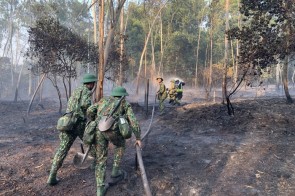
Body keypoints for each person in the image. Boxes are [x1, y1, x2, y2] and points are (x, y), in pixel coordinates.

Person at [86, 86, 142, 196]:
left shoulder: (103, 100)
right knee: (120, 145)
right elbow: (133, 121)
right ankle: (115, 171)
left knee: (101, 159)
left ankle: (100, 189)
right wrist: (138, 137)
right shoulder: (125, 104)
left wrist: (94, 118)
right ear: (123, 96)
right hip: (113, 131)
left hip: (99, 130)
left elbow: (89, 110)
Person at [47, 73, 97, 186]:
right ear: (91, 84)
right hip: (78, 124)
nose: (93, 85)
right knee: (91, 141)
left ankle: (52, 176)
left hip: (67, 122)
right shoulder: (86, 92)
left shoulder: (76, 91)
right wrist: (93, 114)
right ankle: (94, 166)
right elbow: (86, 106)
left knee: (62, 149)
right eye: (93, 83)